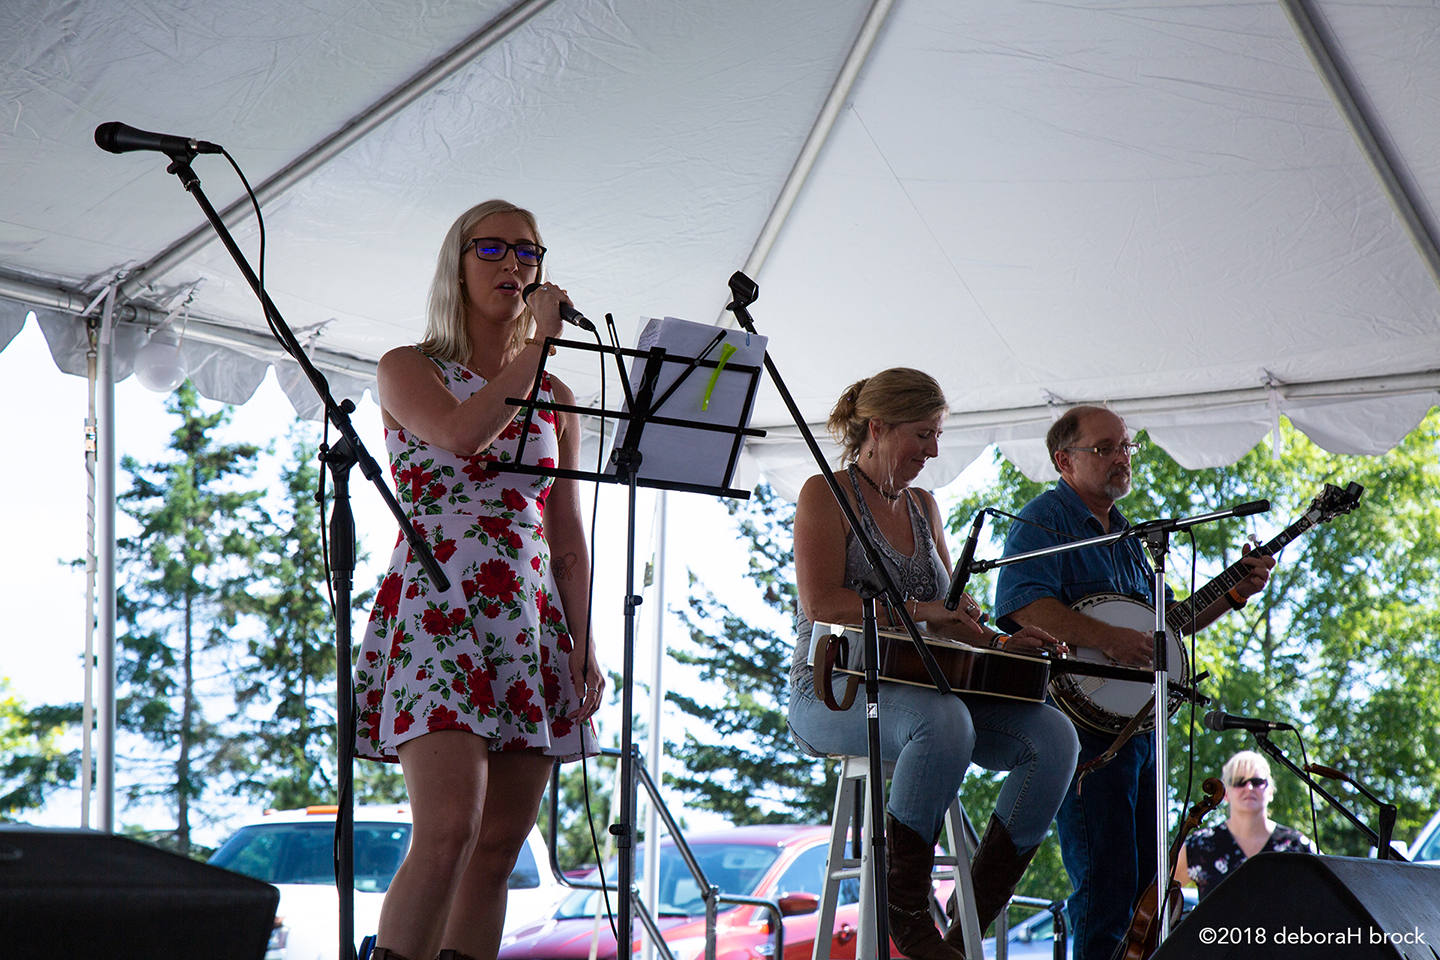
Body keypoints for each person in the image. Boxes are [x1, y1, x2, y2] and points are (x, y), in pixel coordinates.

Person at [353, 199, 603, 960]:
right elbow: (463, 435)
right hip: (440, 606)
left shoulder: (557, 401)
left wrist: (583, 644)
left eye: (528, 252)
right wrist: (537, 350)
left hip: (526, 618)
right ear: (456, 265)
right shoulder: (408, 367)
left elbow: (565, 536)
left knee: (500, 848)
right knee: (450, 830)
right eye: (491, 248)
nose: (513, 265)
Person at [789, 368, 1080, 960]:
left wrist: (1001, 645)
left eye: (937, 435)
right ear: (878, 428)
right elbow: (823, 603)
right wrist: (929, 611)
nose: (934, 450)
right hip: (833, 689)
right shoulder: (825, 493)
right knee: (945, 722)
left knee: (1055, 737)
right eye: (923, 435)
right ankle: (906, 912)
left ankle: (969, 909)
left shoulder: (924, 506)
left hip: (927, 688)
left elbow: (950, 616)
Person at [992, 404, 1275, 960]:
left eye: (1125, 446)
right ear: (1063, 460)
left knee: (1150, 883)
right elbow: (1022, 605)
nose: (1121, 457)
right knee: (1107, 888)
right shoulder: (1042, 523)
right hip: (1086, 736)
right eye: (1105, 448)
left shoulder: (1129, 537)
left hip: (1143, 731)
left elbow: (1168, 623)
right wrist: (1108, 636)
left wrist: (1237, 590)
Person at [1176, 750, 1316, 899]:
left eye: (1257, 782)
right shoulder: (1199, 845)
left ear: (1270, 791)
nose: (1249, 788)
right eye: (1238, 782)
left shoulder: (1299, 847)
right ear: (1226, 793)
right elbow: (1160, 899)